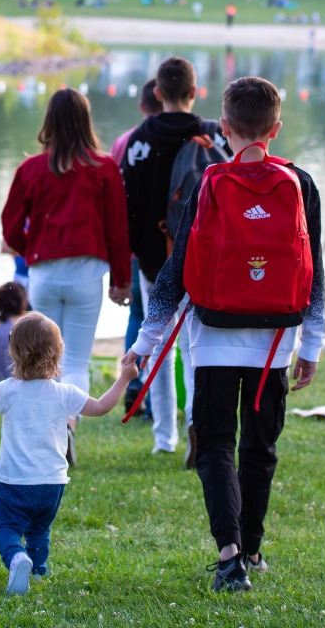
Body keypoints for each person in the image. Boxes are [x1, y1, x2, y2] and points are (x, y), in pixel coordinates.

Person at [127, 76, 325, 592]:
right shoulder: (301, 184)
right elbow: (315, 269)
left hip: (212, 335)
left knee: (215, 443)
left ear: (225, 125)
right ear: (276, 129)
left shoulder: (209, 180)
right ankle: (254, 549)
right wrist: (312, 343)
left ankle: (230, 554)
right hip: (276, 342)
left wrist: (145, 343)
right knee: (261, 447)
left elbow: (174, 272)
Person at [0, 315, 136, 595]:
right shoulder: (65, 393)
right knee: (38, 529)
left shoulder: (9, 391)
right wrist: (123, 378)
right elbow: (102, 406)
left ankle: (17, 558)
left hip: (14, 483)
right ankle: (38, 571)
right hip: (52, 484)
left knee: (1, 527)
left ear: (13, 352)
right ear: (58, 353)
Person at [0, 88, 132, 462]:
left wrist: (33, 249)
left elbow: (9, 227)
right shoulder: (104, 167)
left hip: (44, 271)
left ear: (49, 122)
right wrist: (122, 279)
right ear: (86, 121)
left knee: (42, 360)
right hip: (87, 272)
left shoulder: (30, 169)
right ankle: (69, 426)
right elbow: (117, 229)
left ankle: (46, 435)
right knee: (75, 361)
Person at [120, 56, 228, 459]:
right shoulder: (214, 136)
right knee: (195, 345)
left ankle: (164, 438)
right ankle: (195, 422)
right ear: (195, 93)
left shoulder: (138, 142)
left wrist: (133, 255)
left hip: (154, 261)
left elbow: (126, 206)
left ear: (158, 93)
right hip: (203, 260)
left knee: (157, 347)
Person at [111, 79, 162, 412]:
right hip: (173, 247)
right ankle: (161, 396)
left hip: (134, 246)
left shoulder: (124, 142)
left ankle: (133, 385)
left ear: (142, 106)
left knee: (140, 316)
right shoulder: (192, 137)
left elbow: (116, 202)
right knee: (172, 326)